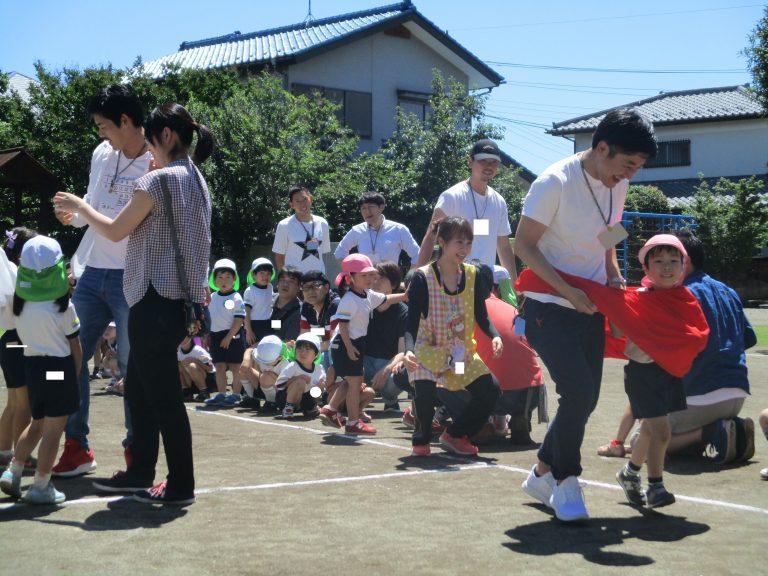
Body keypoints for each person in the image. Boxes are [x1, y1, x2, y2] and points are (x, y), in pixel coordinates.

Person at [54, 102, 213, 505]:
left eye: (153, 142)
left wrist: (81, 207)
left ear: (166, 136)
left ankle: (180, 486)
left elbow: (114, 230)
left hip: (152, 299)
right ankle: (140, 471)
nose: (149, 151)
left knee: (162, 398)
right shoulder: (196, 178)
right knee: (140, 391)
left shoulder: (156, 181)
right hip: (179, 302)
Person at [516, 109, 657, 522]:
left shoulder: (619, 184)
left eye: (637, 168)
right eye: (627, 164)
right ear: (602, 148)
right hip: (548, 305)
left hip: (592, 303)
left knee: (587, 398)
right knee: (577, 393)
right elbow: (523, 245)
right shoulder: (554, 182)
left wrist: (613, 273)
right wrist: (568, 291)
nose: (629, 175)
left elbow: (610, 231)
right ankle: (566, 480)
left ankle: (541, 472)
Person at [52, 84, 153, 477]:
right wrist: (73, 215)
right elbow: (93, 205)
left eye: (103, 125)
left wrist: (81, 208)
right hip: (93, 270)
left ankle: (136, 455)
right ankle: (76, 446)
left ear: (125, 121)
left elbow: (126, 226)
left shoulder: (157, 160)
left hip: (134, 274)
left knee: (132, 367)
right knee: (68, 355)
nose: (100, 133)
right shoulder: (102, 153)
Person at [404, 217, 503, 457]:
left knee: (490, 389)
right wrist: (408, 349)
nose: (465, 248)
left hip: (460, 354)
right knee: (425, 393)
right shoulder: (422, 278)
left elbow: (481, 314)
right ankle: (421, 439)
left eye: (469, 243)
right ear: (442, 242)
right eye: (459, 242)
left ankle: (456, 435)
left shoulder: (473, 274)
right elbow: (410, 321)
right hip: (428, 350)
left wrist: (495, 335)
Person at [0, 235, 82, 504]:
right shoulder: (64, 307)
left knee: (36, 424)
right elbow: (76, 348)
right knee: (53, 430)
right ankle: (41, 486)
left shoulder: (20, 306)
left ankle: (13, 471)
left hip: (32, 368)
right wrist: (74, 376)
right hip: (57, 369)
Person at [665, 230, 756, 463]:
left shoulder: (680, 294)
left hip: (700, 394)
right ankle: (729, 429)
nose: (663, 265)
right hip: (736, 394)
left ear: (684, 261)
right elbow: (748, 339)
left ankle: (709, 432)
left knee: (644, 442)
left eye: (669, 258)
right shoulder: (728, 291)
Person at [615, 235, 689, 509]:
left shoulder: (684, 299)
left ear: (683, 266)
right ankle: (656, 486)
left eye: (674, 260)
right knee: (662, 432)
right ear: (646, 268)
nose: (667, 267)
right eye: (658, 261)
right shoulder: (638, 298)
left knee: (648, 428)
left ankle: (630, 473)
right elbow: (617, 331)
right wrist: (617, 302)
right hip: (643, 374)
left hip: (668, 372)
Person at [417, 139, 516, 281]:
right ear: (470, 162)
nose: (489, 166)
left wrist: (514, 285)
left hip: (484, 282)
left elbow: (504, 246)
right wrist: (417, 278)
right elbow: (431, 237)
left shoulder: (499, 201)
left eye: (494, 162)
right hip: (452, 281)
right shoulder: (452, 196)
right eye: (483, 160)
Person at [330, 254, 407, 435]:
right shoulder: (351, 299)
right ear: (350, 278)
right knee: (352, 381)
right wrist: (348, 348)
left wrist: (405, 295)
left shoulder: (371, 298)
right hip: (353, 350)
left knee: (353, 382)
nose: (372, 280)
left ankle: (335, 409)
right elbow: (342, 327)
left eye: (374, 276)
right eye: (366, 275)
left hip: (371, 358)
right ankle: (348, 418)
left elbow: (387, 300)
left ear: (394, 283)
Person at [474, 266, 546, 446]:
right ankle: (521, 418)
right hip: (531, 391)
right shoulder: (515, 311)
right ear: (495, 287)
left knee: (455, 373)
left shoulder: (467, 311)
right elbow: (525, 343)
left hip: (493, 393)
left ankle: (479, 424)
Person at [0, 227, 36, 470]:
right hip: (16, 338)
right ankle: (20, 457)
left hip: (7, 339)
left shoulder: (8, 269)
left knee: (14, 401)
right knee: (24, 403)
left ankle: (4, 452)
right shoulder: (14, 272)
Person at [363, 261, 408, 413]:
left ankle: (390, 400)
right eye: (372, 276)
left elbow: (402, 352)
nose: (375, 281)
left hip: (388, 365)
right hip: (364, 364)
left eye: (381, 277)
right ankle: (356, 399)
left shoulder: (403, 312)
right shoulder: (364, 306)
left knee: (404, 373)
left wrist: (386, 369)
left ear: (394, 284)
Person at [334, 192, 420, 268]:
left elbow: (417, 255)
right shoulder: (357, 230)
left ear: (381, 207)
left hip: (389, 280)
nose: (367, 211)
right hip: (366, 280)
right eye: (363, 208)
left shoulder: (398, 229)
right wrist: (353, 274)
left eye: (371, 207)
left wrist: (410, 278)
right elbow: (339, 253)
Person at [204, 259, 246, 407]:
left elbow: (239, 319)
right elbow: (209, 318)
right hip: (215, 336)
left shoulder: (236, 297)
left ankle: (236, 395)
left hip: (233, 335)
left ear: (234, 279)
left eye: (228, 277)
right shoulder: (212, 297)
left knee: (235, 366)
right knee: (219, 366)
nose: (224, 281)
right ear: (214, 280)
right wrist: (207, 335)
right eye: (220, 277)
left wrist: (229, 337)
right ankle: (221, 394)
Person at [272, 186, 330, 274]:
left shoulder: (323, 223)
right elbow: (279, 257)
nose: (302, 204)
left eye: (305, 199)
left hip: (318, 279)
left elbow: (324, 252)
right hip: (295, 279)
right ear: (292, 205)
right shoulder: (284, 225)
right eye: (297, 201)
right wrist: (284, 278)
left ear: (310, 199)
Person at [274, 333, 325, 420]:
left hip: (305, 400)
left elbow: (323, 388)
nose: (302, 352)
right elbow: (278, 385)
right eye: (299, 348)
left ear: (316, 354)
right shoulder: (293, 366)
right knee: (300, 382)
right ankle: (288, 409)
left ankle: (311, 408)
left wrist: (320, 386)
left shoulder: (319, 368)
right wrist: (297, 378)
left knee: (322, 383)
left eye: (307, 349)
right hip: (285, 399)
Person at [299, 269, 339, 368]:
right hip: (318, 348)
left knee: (325, 356)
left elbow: (334, 342)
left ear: (326, 287)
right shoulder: (306, 306)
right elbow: (304, 337)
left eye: (315, 286)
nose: (310, 291)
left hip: (336, 349)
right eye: (306, 287)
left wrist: (310, 349)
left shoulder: (335, 305)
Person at [239, 335, 290, 411]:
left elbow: (287, 386)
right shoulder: (261, 354)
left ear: (280, 357)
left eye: (268, 361)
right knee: (244, 369)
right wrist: (246, 360)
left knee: (266, 376)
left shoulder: (286, 365)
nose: (264, 363)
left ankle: (272, 402)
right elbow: (249, 350)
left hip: (280, 394)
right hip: (263, 384)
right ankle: (252, 398)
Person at [243, 257, 275, 346]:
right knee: (253, 349)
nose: (265, 276)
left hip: (269, 323)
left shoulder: (270, 286)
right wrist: (248, 331)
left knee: (270, 347)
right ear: (254, 275)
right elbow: (246, 312)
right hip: (254, 325)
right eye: (262, 273)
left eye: (268, 273)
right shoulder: (250, 290)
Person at [177, 336, 214, 402]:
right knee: (178, 365)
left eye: (184, 337)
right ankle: (186, 391)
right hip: (191, 382)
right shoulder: (178, 351)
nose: (182, 339)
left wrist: (194, 360)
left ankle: (204, 392)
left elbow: (210, 369)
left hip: (208, 380)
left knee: (192, 366)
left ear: (190, 338)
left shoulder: (198, 350)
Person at [271, 267, 303, 342]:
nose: (285, 284)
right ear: (277, 284)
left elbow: (289, 343)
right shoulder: (266, 300)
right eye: (282, 280)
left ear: (299, 287)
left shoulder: (300, 312)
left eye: (291, 281)